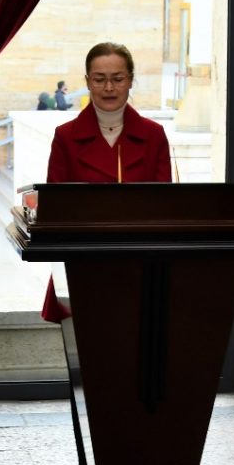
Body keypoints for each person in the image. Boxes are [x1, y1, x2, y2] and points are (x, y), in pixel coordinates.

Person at [40, 42, 172, 321]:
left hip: (140, 266)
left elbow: (164, 207)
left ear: (130, 80)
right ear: (88, 82)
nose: (109, 88)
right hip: (83, 266)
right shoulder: (65, 136)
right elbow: (55, 208)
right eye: (99, 79)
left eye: (118, 79)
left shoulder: (154, 135)